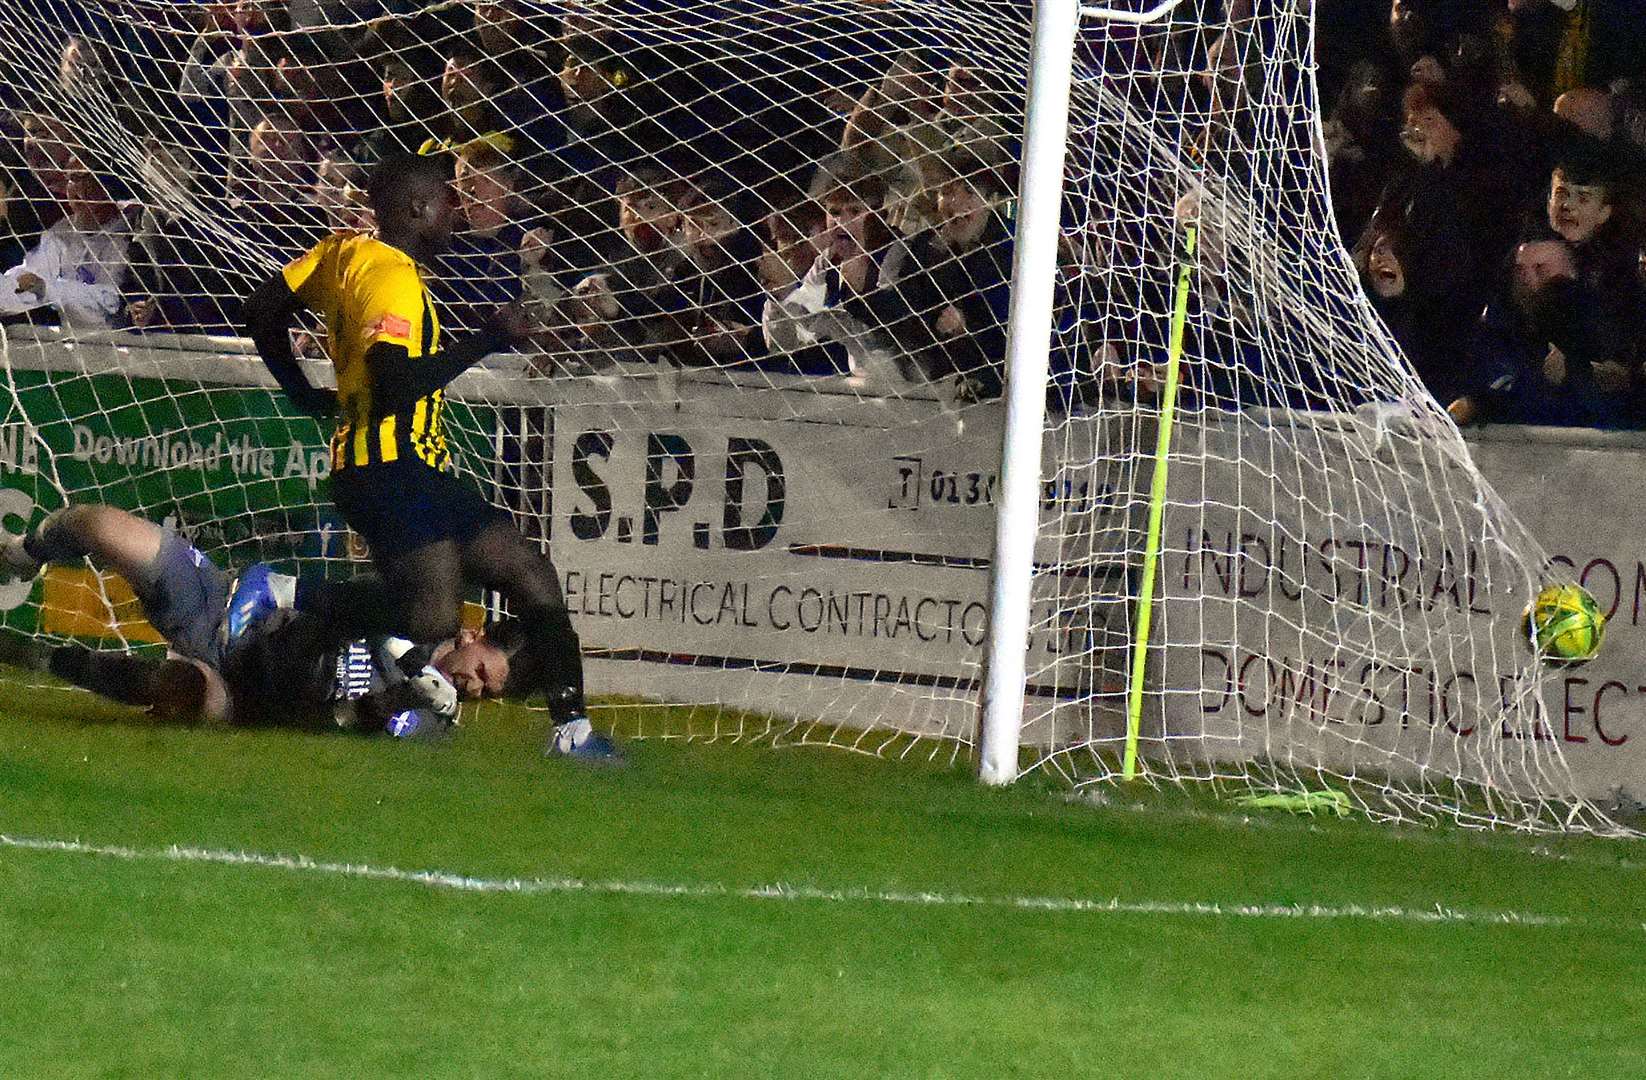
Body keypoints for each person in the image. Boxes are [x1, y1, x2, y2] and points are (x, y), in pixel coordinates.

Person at [240, 150, 614, 759]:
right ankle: (289, 596)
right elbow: (392, 388)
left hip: (400, 467)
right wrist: (488, 339)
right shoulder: (391, 276)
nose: (456, 211)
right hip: (390, 467)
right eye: (447, 199)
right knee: (430, 620)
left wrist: (301, 389)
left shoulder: (342, 250)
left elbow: (260, 311)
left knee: (528, 572)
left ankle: (572, 731)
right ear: (417, 208)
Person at [0, 504, 496, 734]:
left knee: (177, 690)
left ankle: (30, 654)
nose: (474, 686)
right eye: (481, 671)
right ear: (472, 637)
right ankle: (22, 552)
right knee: (101, 525)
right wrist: (403, 655)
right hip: (218, 602)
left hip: (239, 688)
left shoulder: (437, 713)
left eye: (486, 691)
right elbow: (312, 596)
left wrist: (403, 697)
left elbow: (338, 721)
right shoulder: (413, 617)